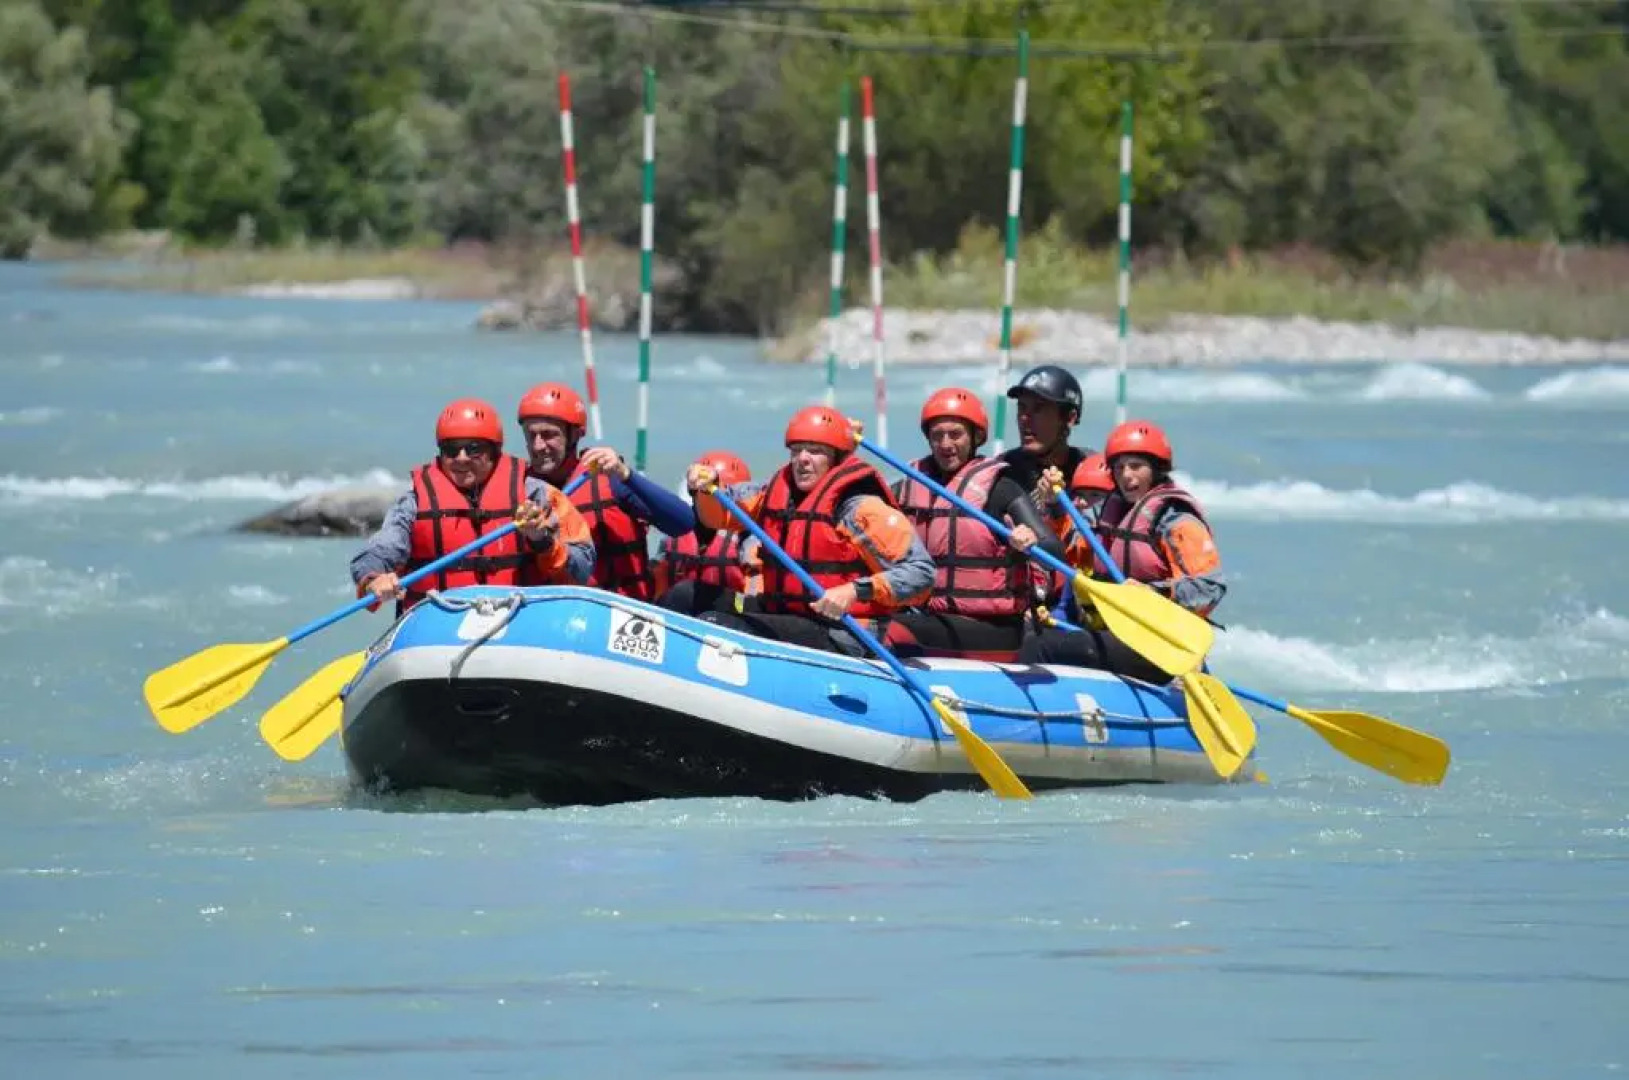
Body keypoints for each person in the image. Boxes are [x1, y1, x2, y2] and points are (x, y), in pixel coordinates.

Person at [684, 405, 935, 656]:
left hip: (842, 631)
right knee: (684, 596)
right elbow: (721, 514)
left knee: (716, 624)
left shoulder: (860, 507)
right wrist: (707, 489)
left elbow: (921, 574)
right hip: (782, 612)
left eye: (815, 452)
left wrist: (856, 590)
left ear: (837, 458)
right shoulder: (773, 491)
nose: (802, 459)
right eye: (796, 451)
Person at [1019, 420, 1224, 683]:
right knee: (1028, 635)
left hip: (1159, 645)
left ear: (1157, 469)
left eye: (1136, 466)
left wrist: (1155, 592)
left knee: (1041, 646)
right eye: (1119, 467)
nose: (1127, 475)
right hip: (1113, 633)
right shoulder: (1109, 515)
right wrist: (1055, 508)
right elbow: (1070, 549)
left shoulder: (1176, 520)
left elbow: (1210, 587)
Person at [351, 398, 594, 614]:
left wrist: (542, 540)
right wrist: (374, 579)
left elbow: (582, 568)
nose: (462, 458)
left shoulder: (537, 495)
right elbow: (377, 552)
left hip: (519, 626)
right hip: (439, 626)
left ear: (495, 452)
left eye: (474, 448)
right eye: (451, 450)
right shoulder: (413, 504)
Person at [886, 387, 1069, 661]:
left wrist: (1029, 541)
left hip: (996, 629)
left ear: (976, 437)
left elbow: (1054, 550)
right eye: (937, 435)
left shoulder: (1001, 488)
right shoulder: (910, 487)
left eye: (956, 434)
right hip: (933, 616)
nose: (946, 444)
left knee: (892, 631)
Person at [515, 382, 696, 601]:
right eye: (530, 435)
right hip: (551, 612)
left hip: (617, 612)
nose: (537, 446)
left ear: (575, 435)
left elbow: (683, 523)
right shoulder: (520, 488)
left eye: (548, 435)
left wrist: (626, 475)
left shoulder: (611, 480)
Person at [655, 450, 763, 615]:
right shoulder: (675, 532)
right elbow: (659, 584)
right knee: (681, 594)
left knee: (685, 593)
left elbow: (755, 594)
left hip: (732, 616)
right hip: (677, 615)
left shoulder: (748, 538)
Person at [999, 364, 1097, 503]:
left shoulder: (1092, 468)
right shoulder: (1002, 471)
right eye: (1021, 407)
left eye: (1038, 408)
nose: (1024, 418)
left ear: (1069, 418)